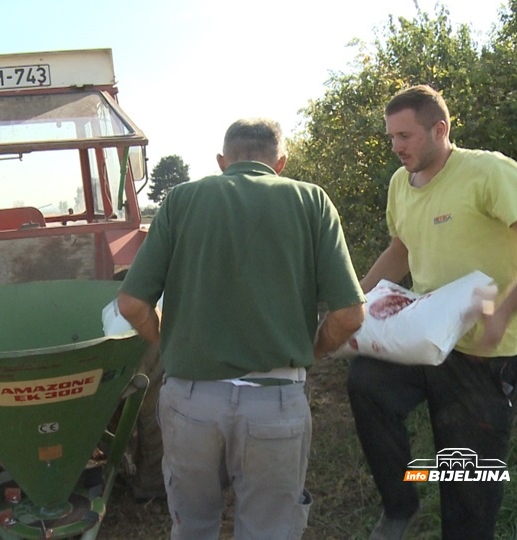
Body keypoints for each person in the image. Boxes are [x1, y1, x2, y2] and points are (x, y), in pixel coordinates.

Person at [117, 118, 366, 539]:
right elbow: (349, 316)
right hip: (275, 399)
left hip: (190, 401)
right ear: (281, 162)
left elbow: (131, 304)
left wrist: (171, 343)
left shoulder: (181, 200)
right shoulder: (311, 200)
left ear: (221, 161)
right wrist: (310, 352)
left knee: (193, 526)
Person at [347, 84, 517, 540]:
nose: (396, 146)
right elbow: (401, 250)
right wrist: (355, 302)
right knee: (366, 383)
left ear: (439, 129)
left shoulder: (488, 171)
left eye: (405, 136)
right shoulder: (400, 184)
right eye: (391, 137)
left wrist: (505, 309)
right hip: (424, 339)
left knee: (468, 488)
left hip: (483, 354)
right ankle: (400, 505)